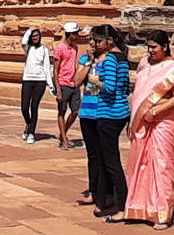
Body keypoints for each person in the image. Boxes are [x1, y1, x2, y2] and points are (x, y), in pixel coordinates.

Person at [112, 30, 174, 229]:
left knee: (161, 165)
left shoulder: (173, 68)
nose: (150, 51)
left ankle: (162, 213)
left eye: (154, 47)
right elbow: (138, 93)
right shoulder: (144, 64)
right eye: (149, 47)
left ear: (165, 47)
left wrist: (157, 111)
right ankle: (138, 207)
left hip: (163, 122)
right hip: (142, 121)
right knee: (139, 164)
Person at [78, 24, 130, 218]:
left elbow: (109, 87)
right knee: (108, 160)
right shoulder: (123, 58)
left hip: (107, 112)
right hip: (120, 112)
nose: (95, 44)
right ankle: (108, 199)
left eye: (99, 41)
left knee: (108, 161)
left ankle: (119, 205)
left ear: (109, 41)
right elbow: (125, 87)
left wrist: (94, 80)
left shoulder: (109, 59)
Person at [51, 21, 86, 150]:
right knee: (62, 111)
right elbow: (55, 69)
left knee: (75, 111)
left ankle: (62, 133)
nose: (77, 36)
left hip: (73, 83)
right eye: (76, 33)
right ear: (70, 34)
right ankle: (64, 139)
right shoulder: (60, 48)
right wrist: (58, 89)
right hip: (63, 83)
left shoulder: (75, 48)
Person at [19, 28, 53, 144]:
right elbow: (23, 42)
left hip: (40, 80)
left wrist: (50, 84)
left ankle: (32, 132)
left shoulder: (44, 49)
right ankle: (29, 124)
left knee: (34, 106)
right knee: (24, 107)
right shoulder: (28, 49)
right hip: (27, 80)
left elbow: (47, 67)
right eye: (33, 36)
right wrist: (29, 30)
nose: (35, 38)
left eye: (37, 36)